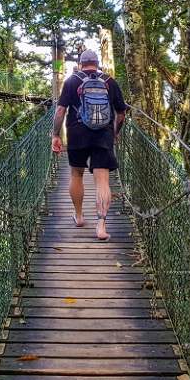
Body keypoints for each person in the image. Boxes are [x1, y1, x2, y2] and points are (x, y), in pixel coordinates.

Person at [51, 49, 127, 241]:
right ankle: (101, 226)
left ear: (81, 64)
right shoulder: (110, 82)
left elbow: (60, 110)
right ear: (97, 63)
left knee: (76, 174)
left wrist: (55, 135)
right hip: (103, 135)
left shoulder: (71, 81)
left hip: (77, 134)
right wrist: (115, 133)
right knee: (102, 181)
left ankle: (79, 216)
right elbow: (121, 114)